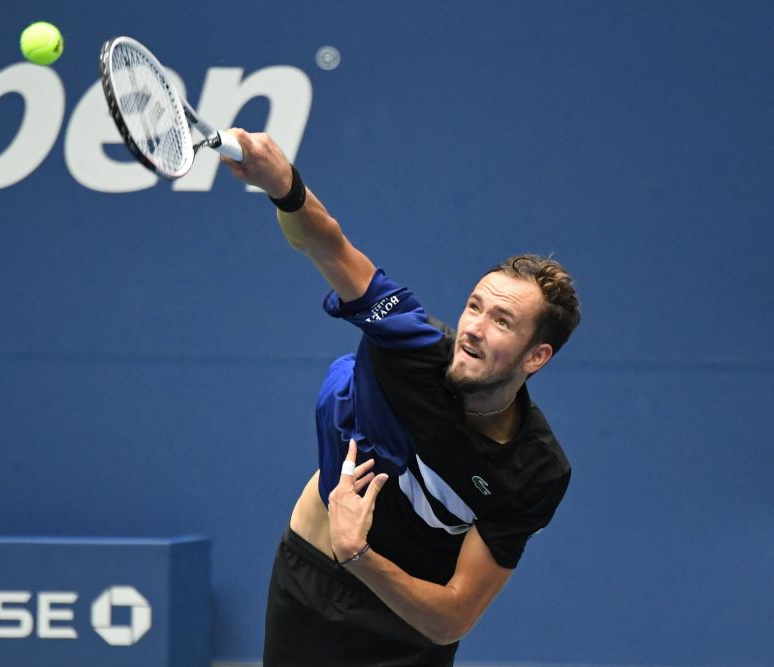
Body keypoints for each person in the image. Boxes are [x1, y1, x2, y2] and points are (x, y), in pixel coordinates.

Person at [221, 130, 581, 667]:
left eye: (502, 321)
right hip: (314, 579)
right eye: (475, 307)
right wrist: (285, 187)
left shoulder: (534, 471)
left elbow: (452, 618)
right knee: (347, 384)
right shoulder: (411, 345)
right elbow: (328, 245)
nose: (474, 329)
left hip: (410, 612)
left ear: (537, 356)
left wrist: (360, 554)